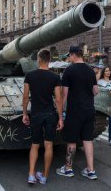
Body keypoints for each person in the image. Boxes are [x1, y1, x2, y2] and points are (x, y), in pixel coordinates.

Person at [56, 46, 99, 180]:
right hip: (89, 110)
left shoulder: (69, 70)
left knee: (72, 140)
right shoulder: (90, 70)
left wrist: (61, 112)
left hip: (75, 111)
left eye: (69, 56)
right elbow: (96, 91)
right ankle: (91, 171)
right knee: (87, 139)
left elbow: (64, 93)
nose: (68, 58)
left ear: (74, 55)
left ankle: (68, 169)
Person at [22, 49, 63, 185]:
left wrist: (24, 113)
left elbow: (25, 96)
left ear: (39, 59)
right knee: (48, 144)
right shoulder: (55, 77)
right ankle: (44, 176)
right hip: (51, 114)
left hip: (36, 113)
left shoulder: (30, 75)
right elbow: (58, 99)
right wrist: (61, 118)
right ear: (49, 60)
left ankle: (31, 175)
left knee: (35, 145)